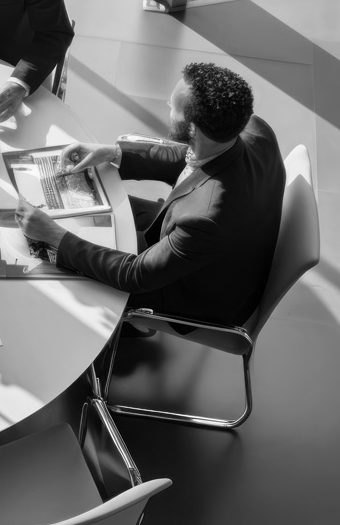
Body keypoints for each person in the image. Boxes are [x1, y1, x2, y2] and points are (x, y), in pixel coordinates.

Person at [17, 63, 285, 330]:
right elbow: (193, 157)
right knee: (94, 201)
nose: (167, 104)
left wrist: (53, 235)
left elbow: (134, 275)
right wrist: (113, 153)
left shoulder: (205, 219)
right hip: (221, 249)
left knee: (66, 273)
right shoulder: (252, 129)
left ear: (192, 129)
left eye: (173, 107)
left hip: (198, 296)